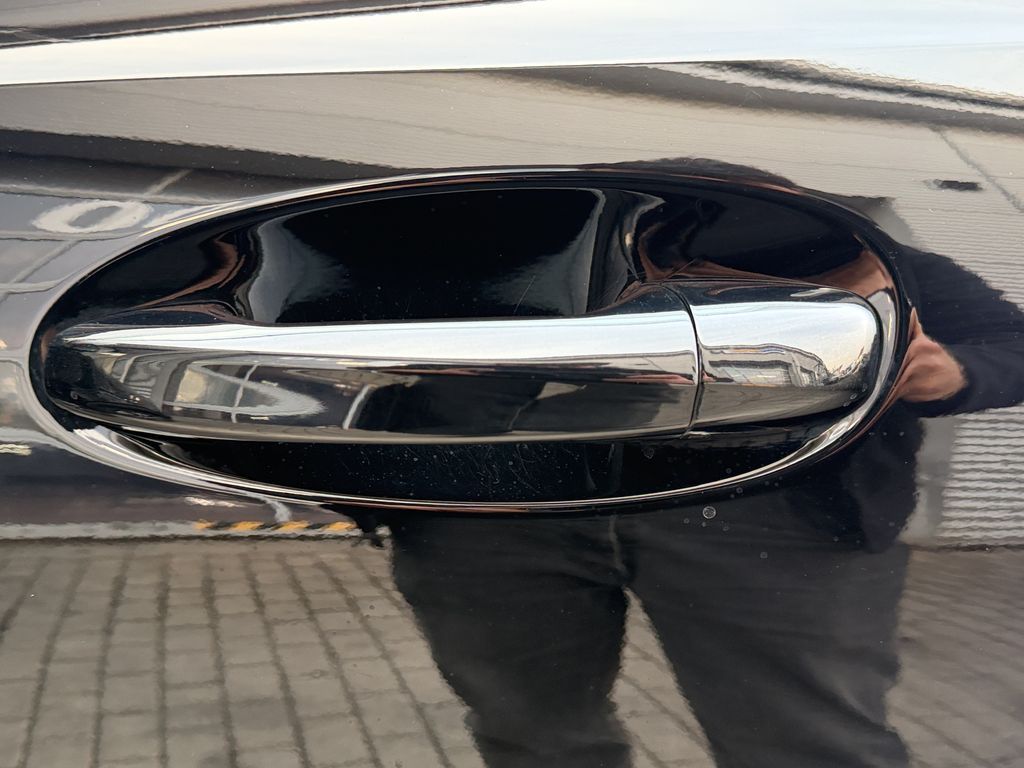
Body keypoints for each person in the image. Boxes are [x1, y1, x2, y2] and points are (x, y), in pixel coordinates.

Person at [383, 184, 1024, 768]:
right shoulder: (505, 256)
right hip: (497, 508)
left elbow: (1010, 343)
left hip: (784, 511)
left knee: (809, 744)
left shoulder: (865, 260)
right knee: (531, 738)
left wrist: (955, 372)